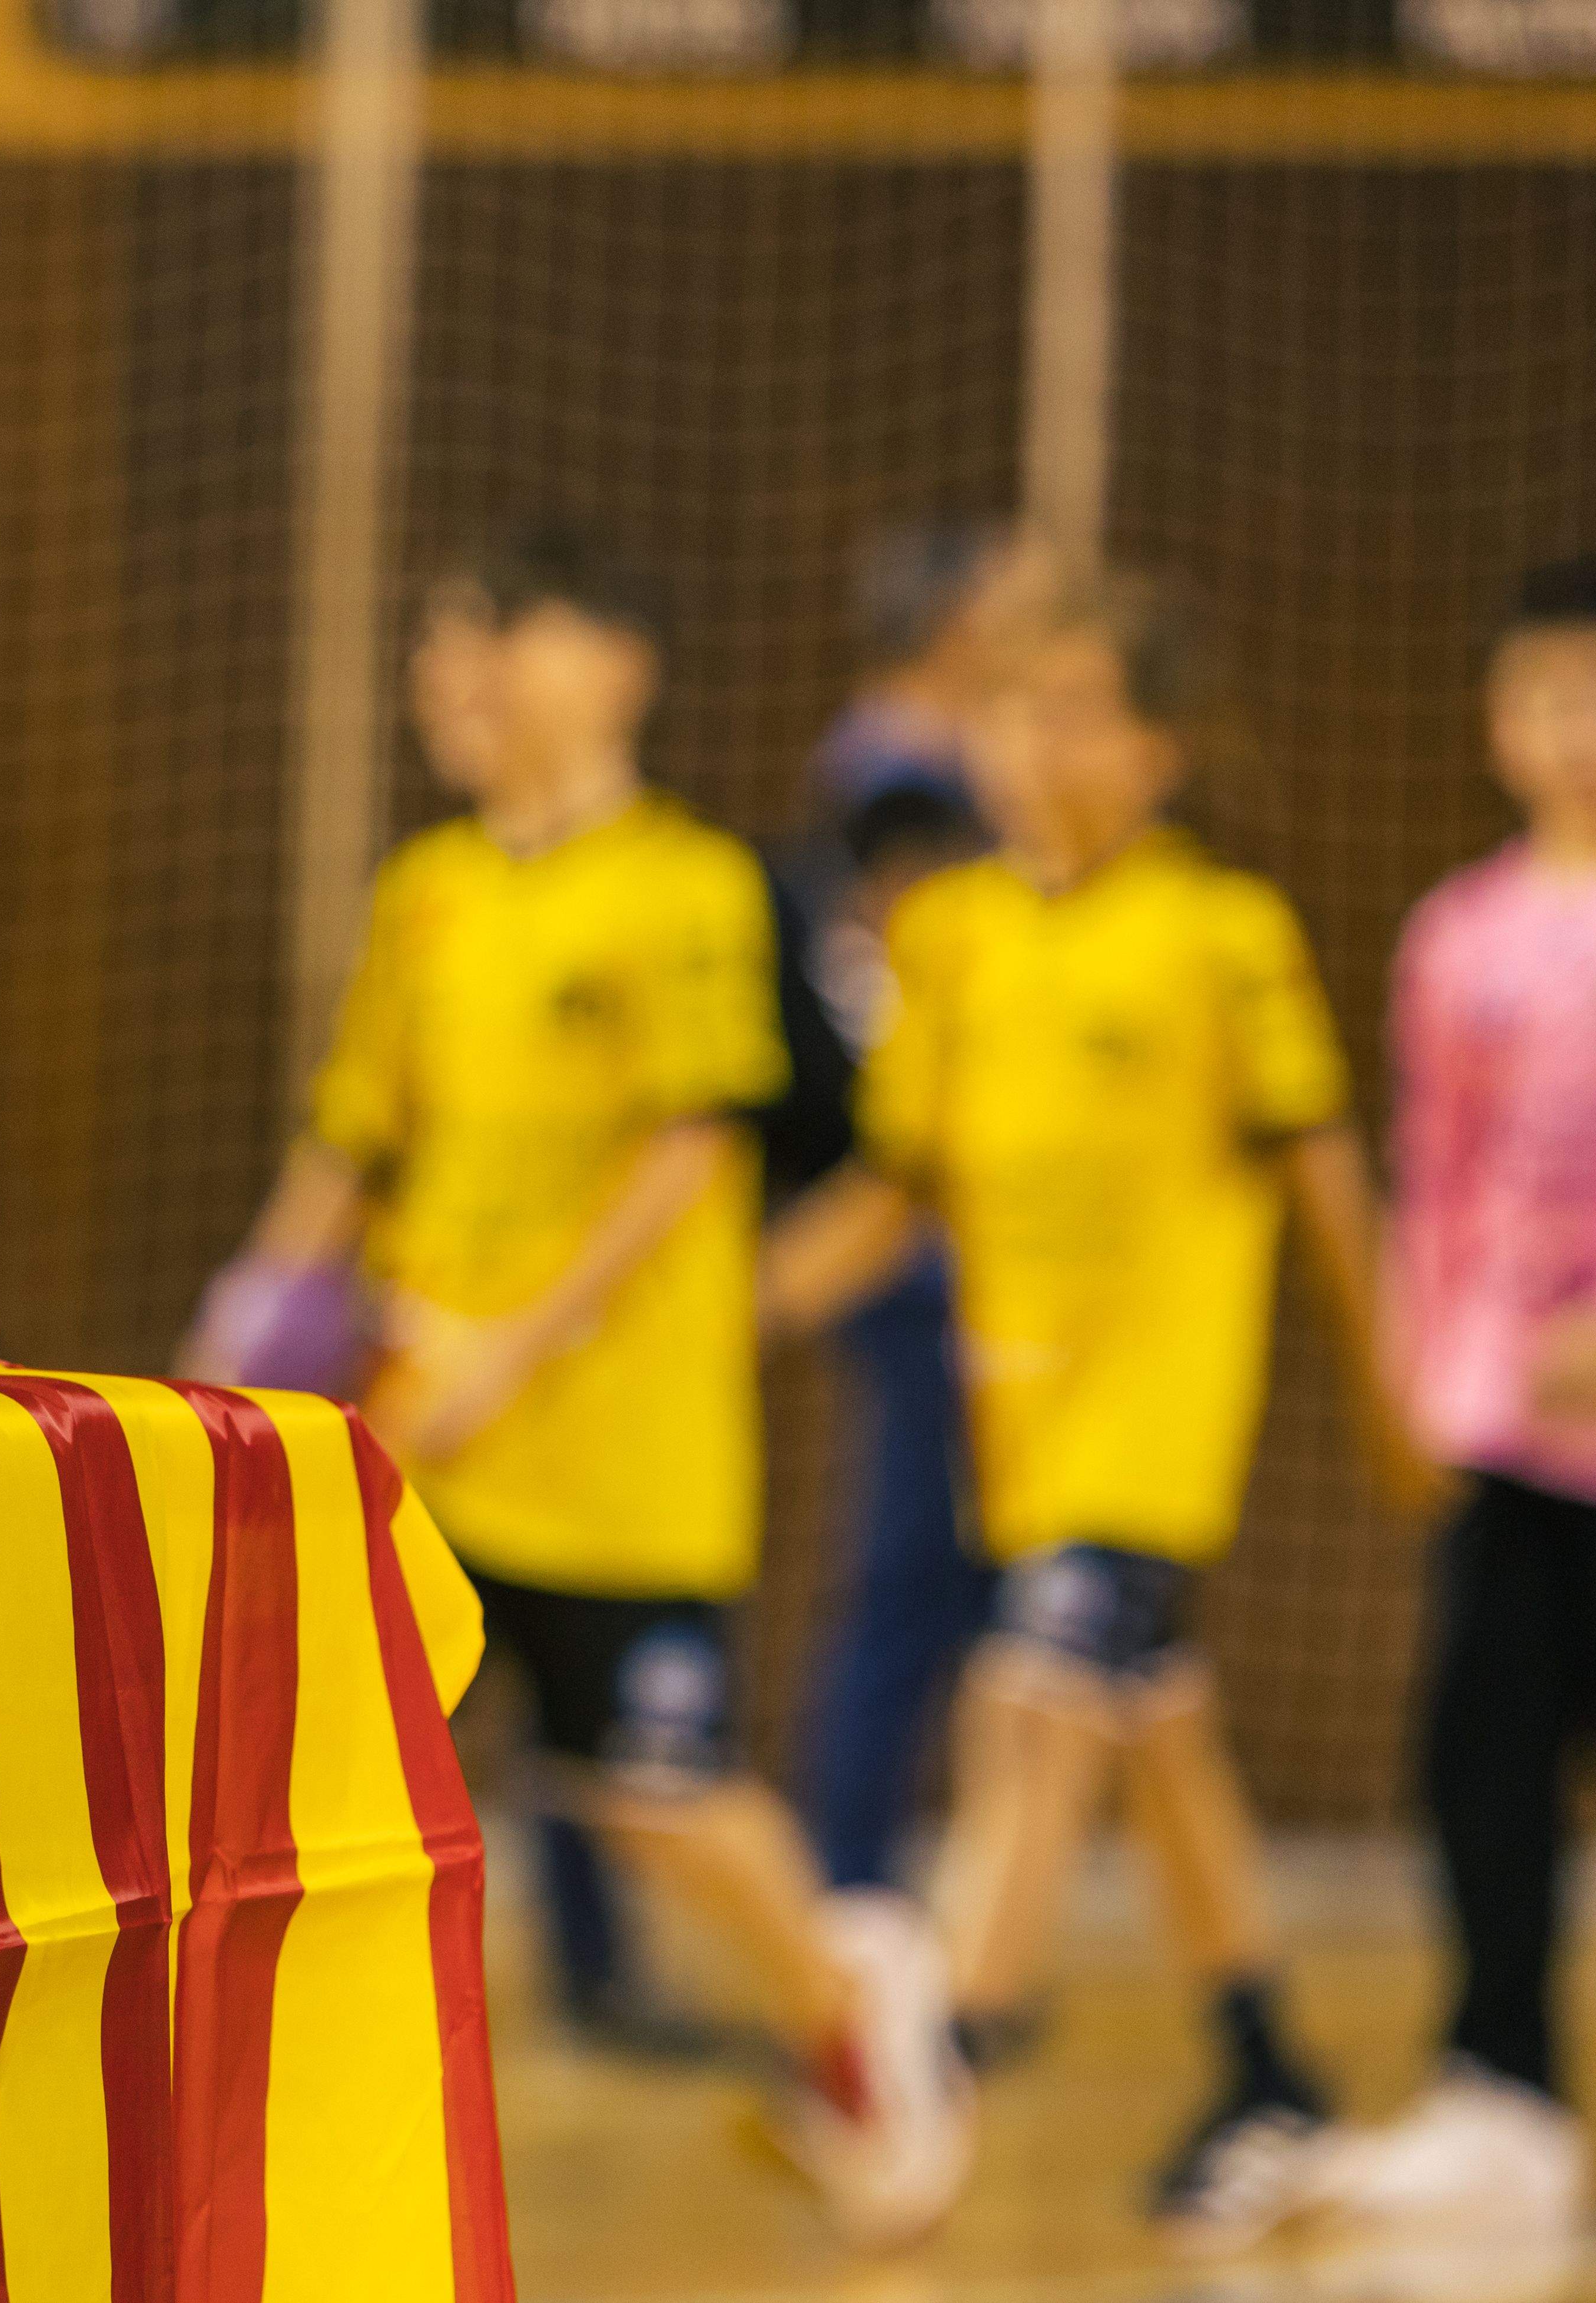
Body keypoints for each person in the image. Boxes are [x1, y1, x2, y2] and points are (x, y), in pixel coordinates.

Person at [190, 519, 972, 2244]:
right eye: (442, 645)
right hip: (420, 1432)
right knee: (319, 1759)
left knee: (659, 1796)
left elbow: (687, 1156)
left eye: (497, 637)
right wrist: (246, 1324)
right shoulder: (431, 892)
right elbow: (356, 1136)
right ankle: (274, 2133)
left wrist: (514, 1351)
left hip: (617, 1449)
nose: (456, 677)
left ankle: (851, 2016)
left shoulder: (687, 887)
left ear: (616, 662)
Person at [764, 566, 1428, 2247]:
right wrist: (728, 1306)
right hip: (1023, 1430)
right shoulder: (958, 937)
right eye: (1008, 706)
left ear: (1159, 748)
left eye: (1075, 709)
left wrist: (1387, 1389)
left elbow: (1325, 1178)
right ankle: (1264, 2057)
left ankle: (935, 2065)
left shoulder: (1222, 936)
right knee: (1159, 1737)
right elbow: (892, 1192)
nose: (1033, 744)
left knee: (1034, 1706)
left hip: (1154, 1427)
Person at [1309, 557, 1596, 2236]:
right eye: (1539, 697)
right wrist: (1429, 1372)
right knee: (1480, 1752)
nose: (1574, 732)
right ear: (1494, 727)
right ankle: (1501, 2088)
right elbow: (1436, 1172)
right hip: (1505, 1429)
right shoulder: (1458, 932)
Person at [784, 524, 1023, 1900]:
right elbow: (891, 1008)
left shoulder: (928, 759)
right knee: (909, 1579)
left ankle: (925, 1901)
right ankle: (857, 1900)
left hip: (960, 1238)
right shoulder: (902, 775)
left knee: (973, 1591)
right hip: (923, 1243)